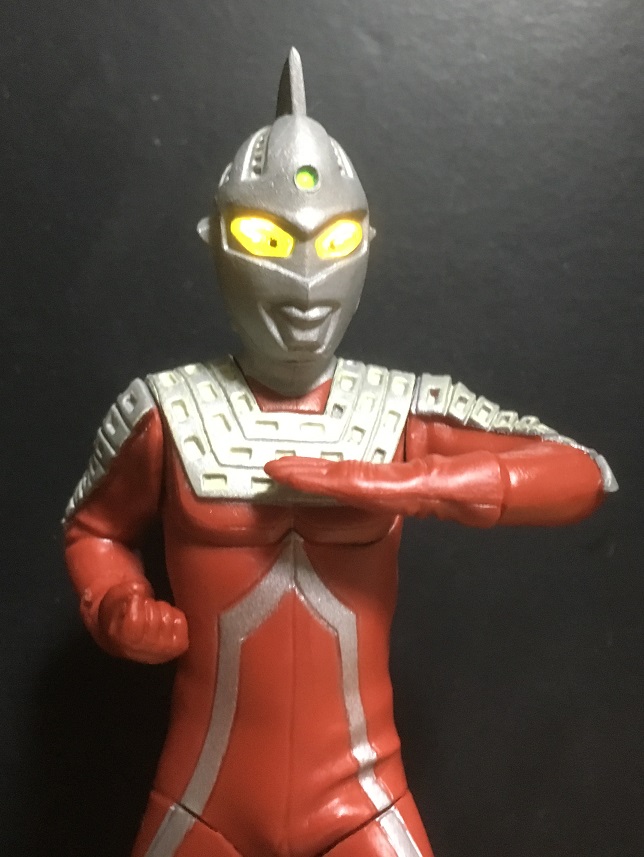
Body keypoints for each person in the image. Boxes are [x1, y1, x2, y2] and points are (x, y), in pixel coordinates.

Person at [63, 48, 616, 857]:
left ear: (366, 242)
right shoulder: (167, 411)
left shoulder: (401, 408)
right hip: (201, 796)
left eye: (336, 237)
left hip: (361, 795)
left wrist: (427, 483)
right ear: (215, 240)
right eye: (266, 236)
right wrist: (116, 603)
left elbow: (582, 472)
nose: (304, 276)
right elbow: (94, 530)